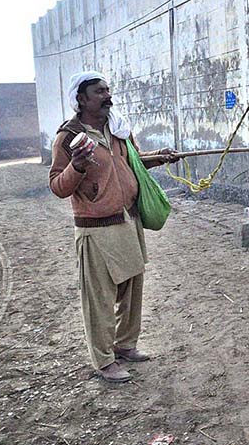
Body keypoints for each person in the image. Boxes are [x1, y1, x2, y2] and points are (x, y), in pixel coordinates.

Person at [49, 71, 178, 383]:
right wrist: (76, 165)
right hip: (96, 228)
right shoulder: (68, 138)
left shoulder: (118, 128)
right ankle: (104, 360)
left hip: (127, 218)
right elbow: (57, 186)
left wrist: (160, 158)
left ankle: (125, 345)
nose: (108, 96)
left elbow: (132, 162)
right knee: (100, 297)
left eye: (108, 90)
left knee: (132, 287)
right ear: (81, 99)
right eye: (99, 92)